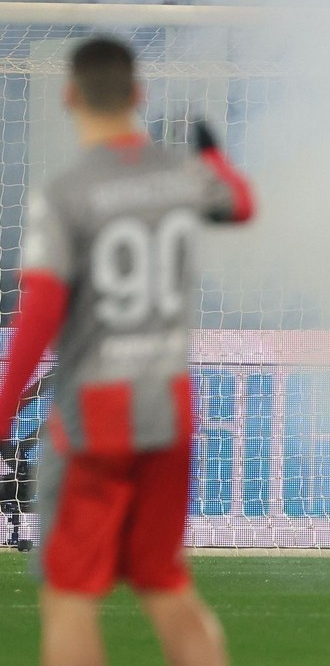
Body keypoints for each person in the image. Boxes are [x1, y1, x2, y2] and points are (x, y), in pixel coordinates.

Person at [0, 36, 254, 666]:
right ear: (139, 96)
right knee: (166, 582)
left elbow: (40, 315)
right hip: (167, 407)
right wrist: (216, 159)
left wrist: (3, 406)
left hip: (97, 415)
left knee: (69, 595)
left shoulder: (66, 193)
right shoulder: (178, 177)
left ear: (69, 97)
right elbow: (241, 204)